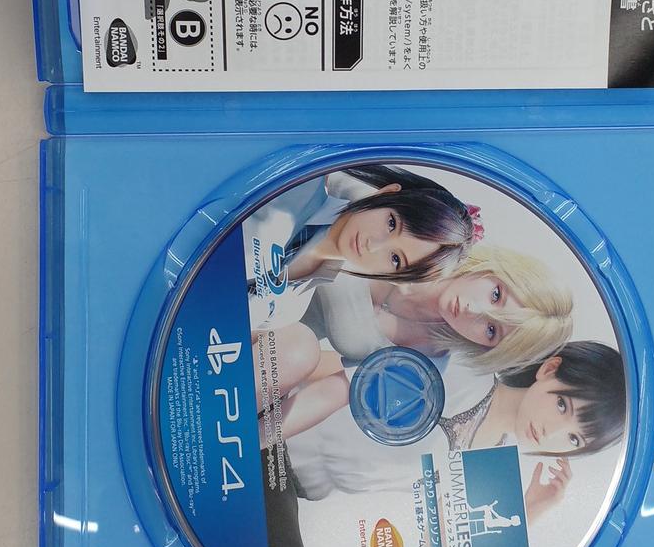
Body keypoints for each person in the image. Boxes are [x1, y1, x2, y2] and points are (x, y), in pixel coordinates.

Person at [284, 341, 626, 528]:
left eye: (574, 440)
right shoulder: (466, 370)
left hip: (297, 495)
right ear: (550, 369)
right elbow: (346, 368)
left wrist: (530, 509)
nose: (553, 432)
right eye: (563, 405)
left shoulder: (495, 469)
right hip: (282, 423)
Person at [256, 245, 573, 434]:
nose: (473, 311)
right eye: (496, 295)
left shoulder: (424, 363)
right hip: (262, 269)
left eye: (491, 330)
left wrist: (250, 443)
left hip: (271, 347)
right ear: (498, 269)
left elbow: (327, 396)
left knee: (298, 351)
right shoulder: (426, 236)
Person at [247, 163, 480, 332]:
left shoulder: (291, 309)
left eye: (396, 259)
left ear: (395, 278)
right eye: (391, 224)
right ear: (388, 193)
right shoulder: (297, 181)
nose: (373, 245)